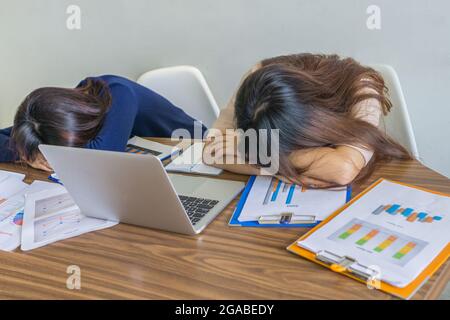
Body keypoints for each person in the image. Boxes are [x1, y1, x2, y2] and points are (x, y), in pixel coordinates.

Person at [203, 53, 411, 188]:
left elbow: (342, 169)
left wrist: (252, 152)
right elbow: (211, 151)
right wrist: (278, 168)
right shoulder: (257, 80)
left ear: (312, 123)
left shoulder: (361, 89)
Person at [0, 75, 205, 171]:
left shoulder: (118, 92)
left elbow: (103, 158)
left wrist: (51, 155)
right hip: (154, 165)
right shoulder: (49, 119)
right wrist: (28, 155)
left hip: (198, 153)